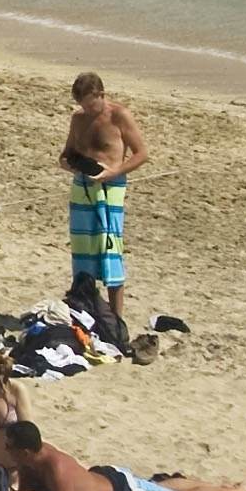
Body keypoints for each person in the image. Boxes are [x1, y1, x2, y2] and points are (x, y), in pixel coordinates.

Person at [0, 419, 246, 491]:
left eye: (10, 447)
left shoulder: (57, 466)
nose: (6, 451)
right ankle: (185, 482)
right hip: (108, 480)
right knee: (156, 490)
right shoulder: (29, 461)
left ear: (26, 450)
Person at [60, 73, 147, 336]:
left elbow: (142, 154)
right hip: (83, 187)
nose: (86, 110)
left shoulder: (119, 116)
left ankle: (116, 321)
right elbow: (66, 154)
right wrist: (68, 163)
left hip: (111, 187)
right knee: (83, 253)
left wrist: (114, 171)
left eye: (90, 104)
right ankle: (87, 311)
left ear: (100, 95)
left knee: (110, 252)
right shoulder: (78, 119)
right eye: (82, 105)